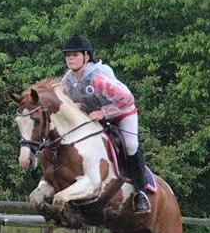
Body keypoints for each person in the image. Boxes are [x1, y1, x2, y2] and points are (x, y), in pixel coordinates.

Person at [60, 34, 151, 214]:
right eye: (67, 55)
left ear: (87, 56)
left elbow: (127, 98)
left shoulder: (97, 76)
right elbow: (64, 101)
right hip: (96, 117)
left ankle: (141, 192)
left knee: (131, 145)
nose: (70, 58)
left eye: (75, 54)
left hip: (122, 113)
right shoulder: (68, 79)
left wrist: (104, 112)